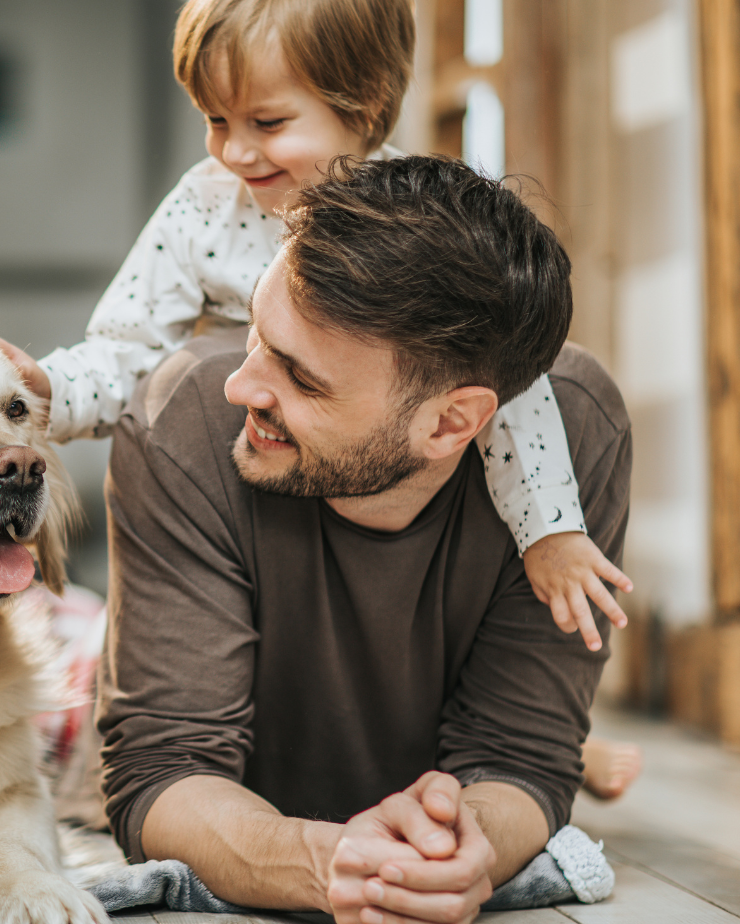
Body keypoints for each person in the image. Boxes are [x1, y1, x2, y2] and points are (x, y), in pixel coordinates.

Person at [0, 0, 641, 801]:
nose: (234, 150)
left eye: (265, 120)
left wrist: (552, 533)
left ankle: (567, 750)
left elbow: (512, 388)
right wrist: (48, 391)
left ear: (361, 108)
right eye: (214, 119)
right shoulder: (205, 208)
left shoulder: (419, 231)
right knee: (77, 660)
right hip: (258, 493)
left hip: (368, 480)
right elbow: (127, 344)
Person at [97, 154, 630, 922]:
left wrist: (459, 849)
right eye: (254, 331)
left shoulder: (574, 439)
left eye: (301, 377)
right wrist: (328, 862)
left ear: (453, 422)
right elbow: (161, 770)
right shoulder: (182, 420)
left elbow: (522, 758)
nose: (240, 386)